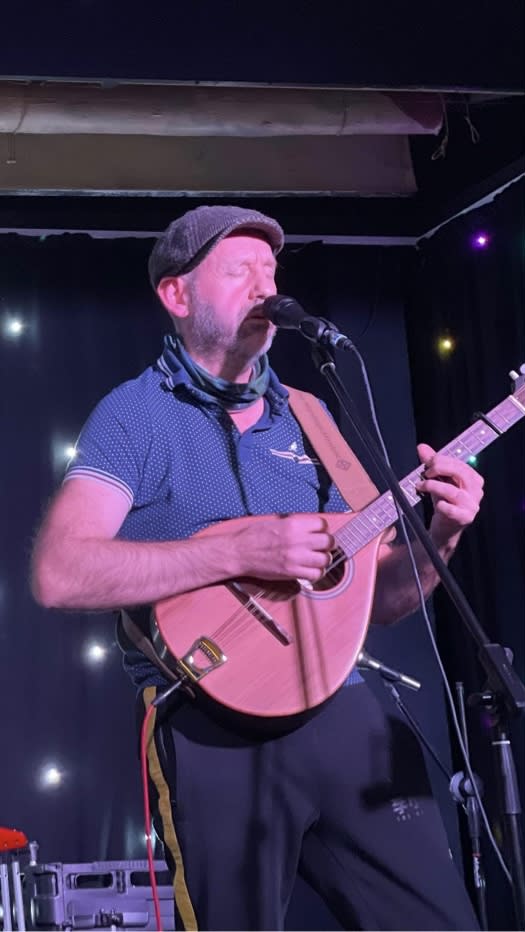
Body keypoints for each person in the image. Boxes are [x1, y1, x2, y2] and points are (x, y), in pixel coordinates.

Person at [31, 205, 484, 932]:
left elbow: (381, 597)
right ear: (177, 295)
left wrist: (443, 532)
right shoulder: (133, 416)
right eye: (240, 269)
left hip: (342, 704)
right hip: (209, 718)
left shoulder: (311, 416)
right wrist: (240, 551)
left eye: (271, 270)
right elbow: (61, 573)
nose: (265, 286)